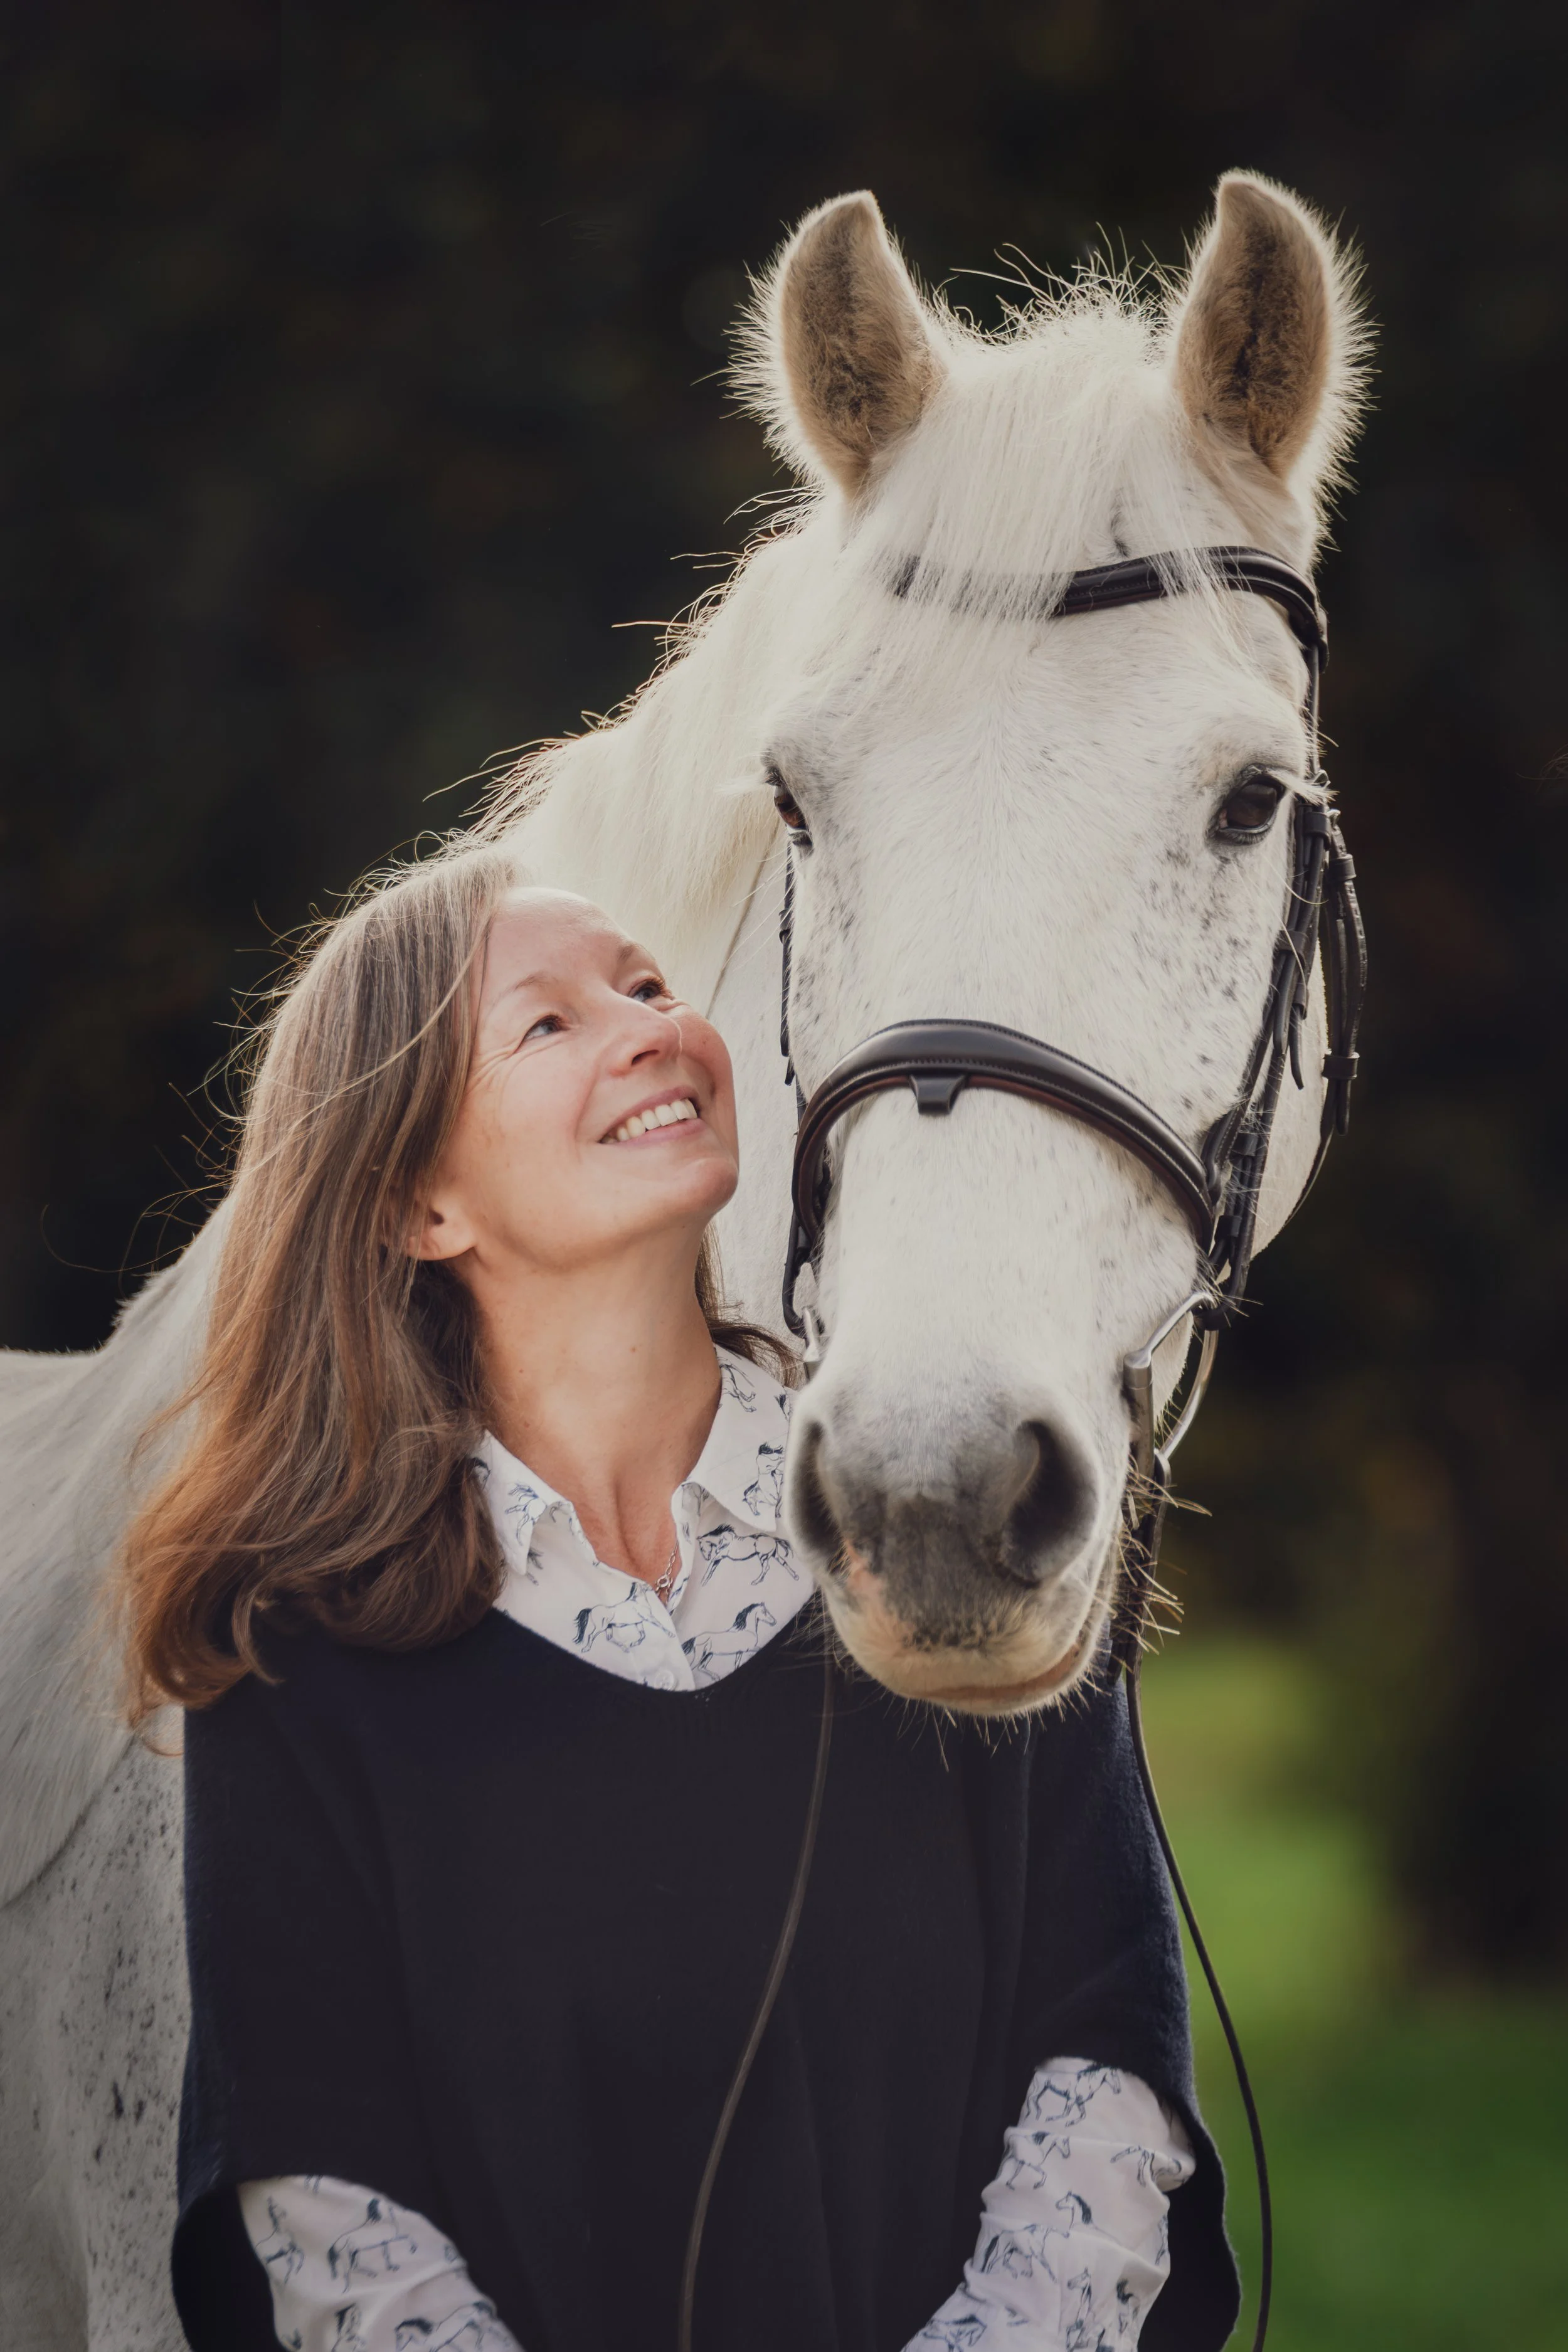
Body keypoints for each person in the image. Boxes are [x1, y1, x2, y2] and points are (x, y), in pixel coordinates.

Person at [119, 845, 1239, 2352]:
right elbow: (327, 2208)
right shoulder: (292, 1662)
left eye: (646, 984)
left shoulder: (936, 1532)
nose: (651, 1023)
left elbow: (1102, 2073)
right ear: (416, 1208)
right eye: (548, 1023)